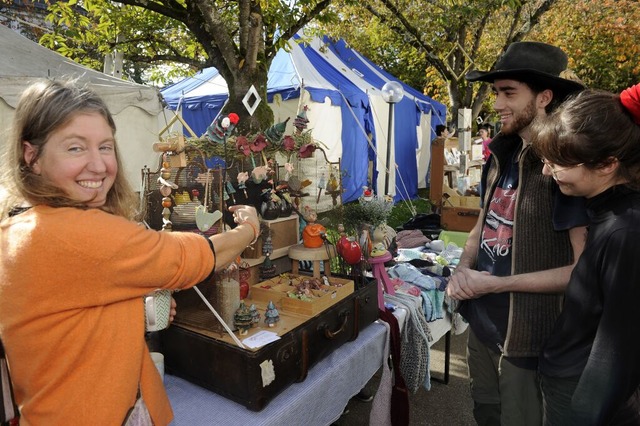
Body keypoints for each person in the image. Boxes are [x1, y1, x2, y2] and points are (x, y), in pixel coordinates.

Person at [0, 79, 260, 425]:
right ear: (32, 156)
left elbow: (61, 322)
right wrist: (249, 230)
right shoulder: (77, 233)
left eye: (105, 147)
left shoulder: (20, 224)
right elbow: (190, 258)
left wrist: (131, 314)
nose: (98, 165)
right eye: (75, 148)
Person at [446, 42, 589, 426]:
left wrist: (495, 285)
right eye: (495, 93)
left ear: (544, 97)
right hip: (482, 326)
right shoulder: (501, 154)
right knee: (486, 414)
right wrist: (462, 268)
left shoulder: (562, 169)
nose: (496, 104)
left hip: (528, 340)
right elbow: (482, 223)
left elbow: (583, 270)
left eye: (508, 92)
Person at [532, 84, 640, 425]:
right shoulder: (609, 213)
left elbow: (617, 347)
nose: (547, 172)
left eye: (559, 163)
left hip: (581, 391)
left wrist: (584, 413)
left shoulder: (625, 231)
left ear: (607, 164)